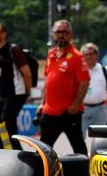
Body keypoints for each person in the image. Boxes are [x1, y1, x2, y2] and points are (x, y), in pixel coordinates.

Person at [38, 20, 89, 154]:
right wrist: (42, 103)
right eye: (58, 32)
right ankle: (45, 169)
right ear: (53, 35)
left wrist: (76, 105)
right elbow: (48, 81)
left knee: (78, 147)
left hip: (69, 112)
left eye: (64, 32)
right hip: (49, 112)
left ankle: (84, 168)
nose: (61, 35)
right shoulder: (51, 54)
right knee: (43, 150)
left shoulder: (77, 57)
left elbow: (84, 82)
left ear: (70, 34)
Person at [0, 21, 32, 148]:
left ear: (4, 34)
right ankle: (14, 152)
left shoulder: (13, 50)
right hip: (3, 95)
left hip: (16, 94)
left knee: (6, 123)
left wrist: (27, 93)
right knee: (7, 126)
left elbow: (27, 73)